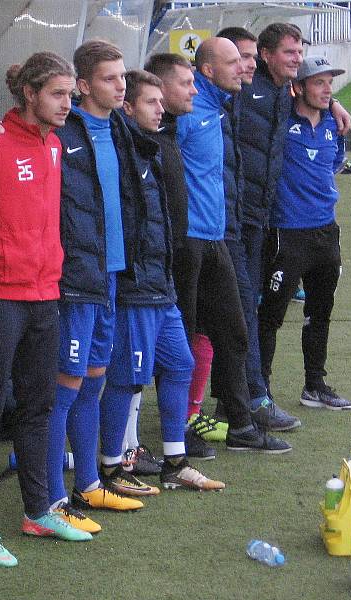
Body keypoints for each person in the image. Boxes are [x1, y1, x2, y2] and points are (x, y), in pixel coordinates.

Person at [0, 51, 93, 569]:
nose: (66, 104)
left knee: (38, 408)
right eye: (57, 95)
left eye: (69, 96)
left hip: (44, 296)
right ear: (29, 94)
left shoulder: (55, 146)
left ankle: (39, 509)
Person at [46, 40, 158, 526]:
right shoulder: (62, 131)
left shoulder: (120, 127)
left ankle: (89, 484)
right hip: (75, 280)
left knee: (94, 381)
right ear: (84, 85)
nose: (121, 86)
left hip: (110, 275)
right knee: (64, 388)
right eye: (111, 79)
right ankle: (52, 497)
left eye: (123, 78)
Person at [172, 38, 291, 454]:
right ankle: (180, 429)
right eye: (237, 61)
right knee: (183, 336)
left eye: (249, 61)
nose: (246, 68)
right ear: (208, 70)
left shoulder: (219, 106)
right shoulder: (187, 113)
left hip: (220, 237)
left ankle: (238, 422)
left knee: (233, 329)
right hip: (188, 242)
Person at [111, 67, 224, 491]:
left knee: (180, 363)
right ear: (127, 107)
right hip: (137, 284)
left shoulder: (154, 146)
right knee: (127, 377)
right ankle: (114, 464)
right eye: (151, 103)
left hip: (162, 281)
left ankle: (175, 463)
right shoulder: (122, 151)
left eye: (162, 101)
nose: (162, 110)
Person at [238, 23, 351, 407]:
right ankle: (262, 390)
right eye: (318, 83)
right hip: (287, 234)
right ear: (298, 88)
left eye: (329, 84)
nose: (327, 89)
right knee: (270, 317)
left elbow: (334, 164)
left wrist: (334, 106)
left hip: (326, 231)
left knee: (320, 313)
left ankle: (315, 385)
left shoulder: (335, 127)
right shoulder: (281, 117)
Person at [142, 53, 214, 461]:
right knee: (123, 374)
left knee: (182, 355)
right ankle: (121, 454)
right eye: (185, 83)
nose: (192, 91)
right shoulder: (138, 141)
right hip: (144, 270)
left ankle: (175, 455)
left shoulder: (165, 134)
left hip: (171, 259)